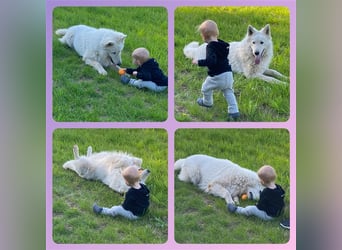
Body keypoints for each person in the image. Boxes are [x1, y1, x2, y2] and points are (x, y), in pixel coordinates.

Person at [192, 20, 240, 121]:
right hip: (228, 74)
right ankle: (234, 111)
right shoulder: (224, 45)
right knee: (228, 91)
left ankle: (207, 102)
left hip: (218, 76)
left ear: (204, 36)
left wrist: (199, 62)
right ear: (216, 33)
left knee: (205, 88)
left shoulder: (210, 47)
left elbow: (211, 61)